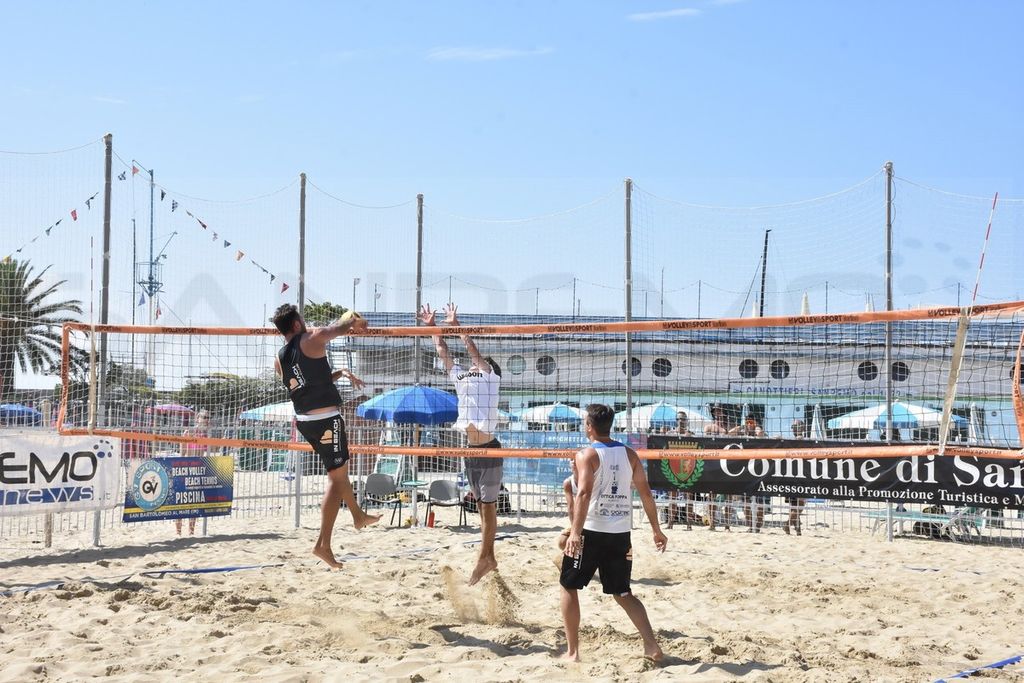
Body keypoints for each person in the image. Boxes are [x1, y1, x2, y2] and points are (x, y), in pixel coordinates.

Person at [271, 303, 380, 569]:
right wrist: (355, 319)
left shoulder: (279, 359)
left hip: (306, 422)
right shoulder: (313, 337)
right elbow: (341, 327)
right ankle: (323, 544)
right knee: (336, 479)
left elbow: (310, 382)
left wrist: (340, 373)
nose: (306, 323)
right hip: (326, 420)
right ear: (296, 324)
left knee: (339, 473)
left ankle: (358, 516)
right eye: (302, 320)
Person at [560, 404, 667, 663]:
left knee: (568, 586)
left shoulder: (586, 454)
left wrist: (575, 533)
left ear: (589, 426)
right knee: (623, 593)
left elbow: (583, 493)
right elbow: (645, 493)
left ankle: (573, 652)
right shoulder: (630, 454)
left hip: (591, 530)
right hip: (620, 533)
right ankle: (651, 645)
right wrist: (656, 530)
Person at [421, 302, 503, 586]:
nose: (472, 365)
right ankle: (489, 558)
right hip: (469, 450)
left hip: (489, 448)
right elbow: (443, 353)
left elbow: (473, 351)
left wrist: (457, 326)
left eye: (477, 364)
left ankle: (484, 557)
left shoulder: (489, 377)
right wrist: (433, 328)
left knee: (488, 508)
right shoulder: (463, 379)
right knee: (480, 507)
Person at [176, 409, 211, 536]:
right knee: (181, 502)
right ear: (197, 419)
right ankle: (178, 532)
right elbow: (182, 453)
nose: (207, 420)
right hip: (187, 469)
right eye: (205, 417)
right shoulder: (189, 433)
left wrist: (222, 441)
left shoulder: (206, 435)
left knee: (195, 502)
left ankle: (191, 531)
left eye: (208, 418)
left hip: (198, 470)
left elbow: (211, 450)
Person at [703, 405, 732, 531]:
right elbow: (706, 441)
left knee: (729, 495)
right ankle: (712, 524)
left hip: (727, 464)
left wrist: (727, 431)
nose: (718, 413)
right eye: (716, 411)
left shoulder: (729, 426)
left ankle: (727, 525)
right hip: (713, 464)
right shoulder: (709, 427)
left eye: (720, 411)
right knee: (711, 495)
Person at [665, 411, 695, 530]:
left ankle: (689, 524)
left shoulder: (690, 435)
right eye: (679, 419)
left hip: (687, 467)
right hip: (674, 467)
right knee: (672, 497)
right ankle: (670, 523)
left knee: (689, 497)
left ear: (686, 421)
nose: (681, 421)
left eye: (683, 419)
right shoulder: (670, 434)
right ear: (676, 420)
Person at [784, 420, 807, 536]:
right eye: (793, 426)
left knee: (795, 505)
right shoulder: (795, 440)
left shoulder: (799, 440)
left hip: (797, 475)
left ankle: (798, 530)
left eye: (796, 426)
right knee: (799, 504)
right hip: (794, 476)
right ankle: (787, 524)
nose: (793, 428)